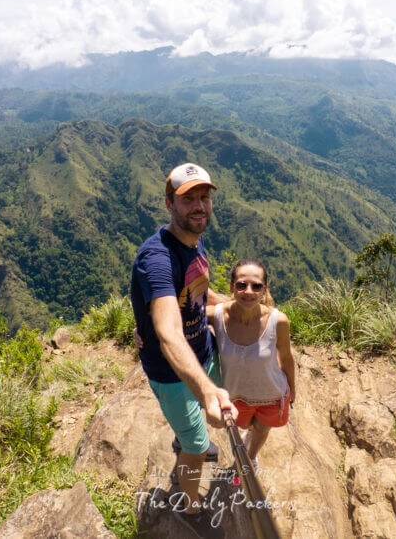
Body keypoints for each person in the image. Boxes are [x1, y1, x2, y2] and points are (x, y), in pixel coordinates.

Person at [130, 162, 236, 534]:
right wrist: (206, 390)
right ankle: (190, 509)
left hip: (203, 351)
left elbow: (200, 293)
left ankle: (185, 436)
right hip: (171, 373)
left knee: (204, 422)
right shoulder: (156, 259)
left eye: (204, 197)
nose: (199, 206)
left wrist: (241, 306)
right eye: (188, 198)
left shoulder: (194, 240)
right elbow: (168, 331)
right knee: (197, 444)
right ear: (168, 204)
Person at [208, 259, 296, 469]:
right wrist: (143, 329)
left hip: (272, 394)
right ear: (232, 287)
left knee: (262, 429)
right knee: (243, 425)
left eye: (256, 286)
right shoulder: (217, 316)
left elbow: (286, 357)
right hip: (236, 395)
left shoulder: (279, 321)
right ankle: (246, 452)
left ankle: (251, 457)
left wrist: (292, 389)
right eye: (241, 285)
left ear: (264, 289)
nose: (248, 291)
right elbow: (180, 318)